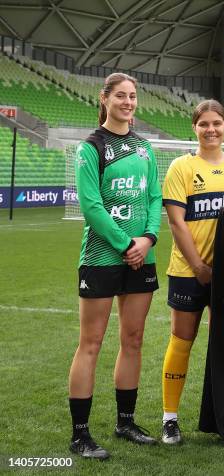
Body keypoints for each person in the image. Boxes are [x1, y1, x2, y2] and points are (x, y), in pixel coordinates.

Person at [69, 73, 162, 459]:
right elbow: (91, 207)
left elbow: (155, 197)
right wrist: (127, 244)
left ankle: (126, 422)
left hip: (143, 257)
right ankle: (80, 434)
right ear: (104, 99)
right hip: (102, 257)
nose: (128, 102)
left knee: (134, 341)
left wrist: (148, 240)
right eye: (120, 96)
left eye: (133, 96)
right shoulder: (91, 148)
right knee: (90, 344)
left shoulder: (144, 148)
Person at [160, 99, 224, 444]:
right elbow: (176, 222)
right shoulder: (181, 167)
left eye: (216, 123)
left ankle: (223, 414)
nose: (211, 129)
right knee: (182, 341)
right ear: (195, 128)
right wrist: (200, 266)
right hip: (190, 272)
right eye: (204, 124)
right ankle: (170, 418)